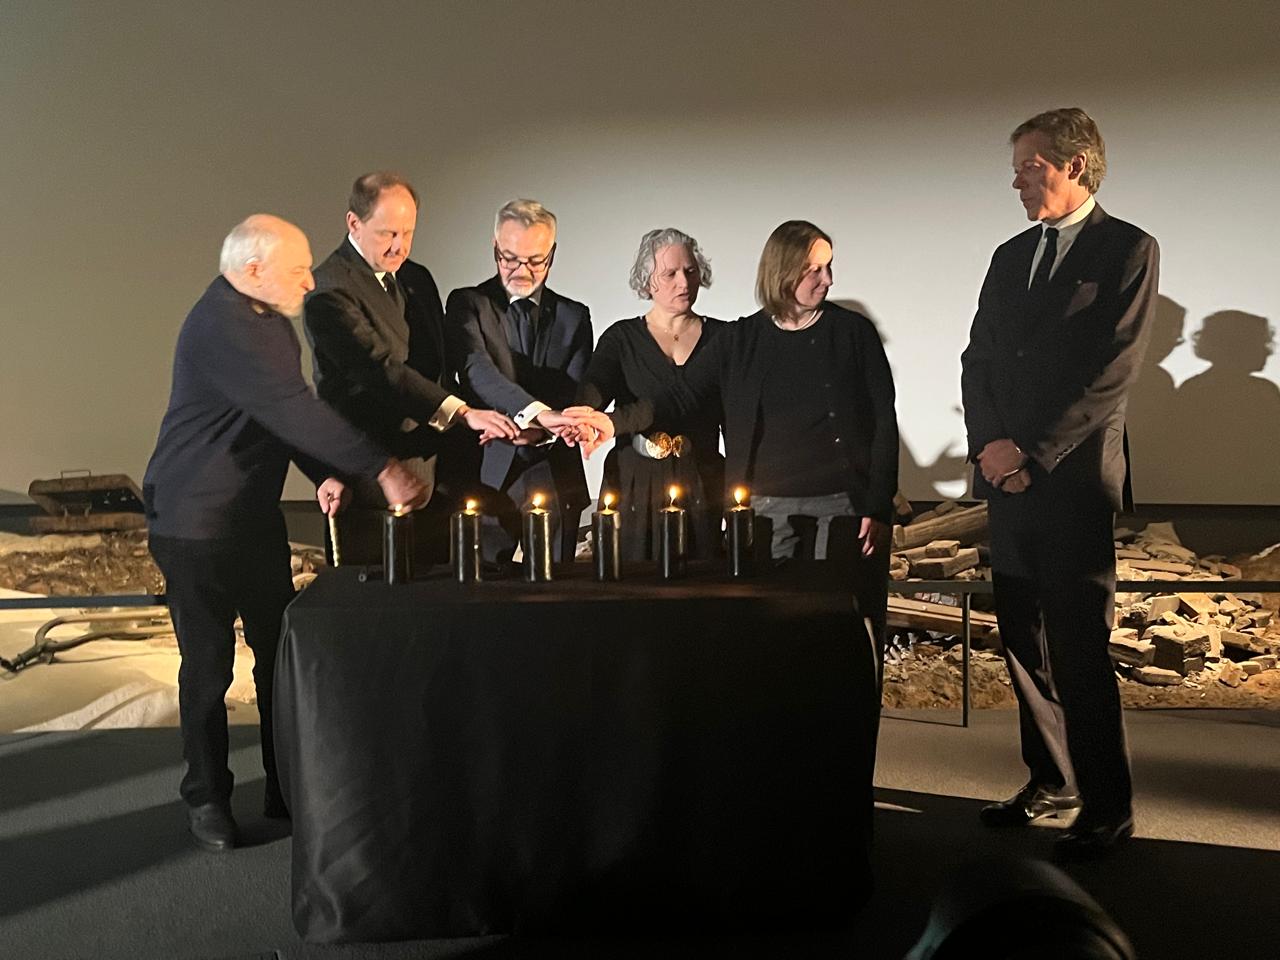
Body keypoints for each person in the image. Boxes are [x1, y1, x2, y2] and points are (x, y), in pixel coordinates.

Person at [143, 214, 424, 853]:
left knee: (278, 655)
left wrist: (324, 473)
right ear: (252, 271)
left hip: (248, 518)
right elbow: (294, 410)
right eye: (297, 270)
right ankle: (207, 799)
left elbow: (279, 414)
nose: (309, 280)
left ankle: (284, 788)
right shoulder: (224, 325)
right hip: (195, 524)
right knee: (208, 667)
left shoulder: (266, 320)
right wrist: (381, 468)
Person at [960, 108, 1159, 858]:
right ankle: (1051, 780)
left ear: (1075, 165)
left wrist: (1029, 454)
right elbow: (977, 359)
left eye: (1030, 166)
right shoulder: (1010, 255)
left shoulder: (1128, 248)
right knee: (1022, 639)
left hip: (1071, 483)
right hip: (1005, 478)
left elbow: (1111, 371)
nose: (1016, 180)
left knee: (1078, 645)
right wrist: (990, 449)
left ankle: (1107, 806)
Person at [570, 220, 898, 653]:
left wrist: (877, 503)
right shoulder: (743, 339)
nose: (828, 279)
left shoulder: (853, 334)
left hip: (838, 505)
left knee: (836, 629)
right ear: (783, 271)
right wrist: (612, 423)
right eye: (814, 269)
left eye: (828, 266)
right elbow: (678, 397)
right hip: (764, 508)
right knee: (771, 633)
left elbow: (883, 421)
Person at [304, 172, 518, 561]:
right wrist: (462, 413)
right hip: (373, 480)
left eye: (408, 233)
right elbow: (380, 371)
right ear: (354, 223)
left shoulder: (416, 277)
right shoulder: (329, 290)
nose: (399, 246)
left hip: (437, 476)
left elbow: (439, 368)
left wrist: (485, 418)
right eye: (388, 233)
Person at [445, 199, 592, 562]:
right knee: (483, 587)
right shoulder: (468, 304)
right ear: (495, 248)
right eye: (509, 258)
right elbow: (478, 372)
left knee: (558, 588)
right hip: (486, 472)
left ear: (552, 254)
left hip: (556, 473)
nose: (521, 271)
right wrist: (533, 417)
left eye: (535, 260)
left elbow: (574, 392)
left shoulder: (575, 316)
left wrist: (540, 431)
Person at [575, 228, 726, 560]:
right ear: (647, 282)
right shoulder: (621, 338)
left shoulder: (723, 338)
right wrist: (581, 418)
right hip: (634, 482)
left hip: (702, 480)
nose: (684, 282)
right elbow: (594, 389)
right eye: (670, 274)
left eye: (690, 271)